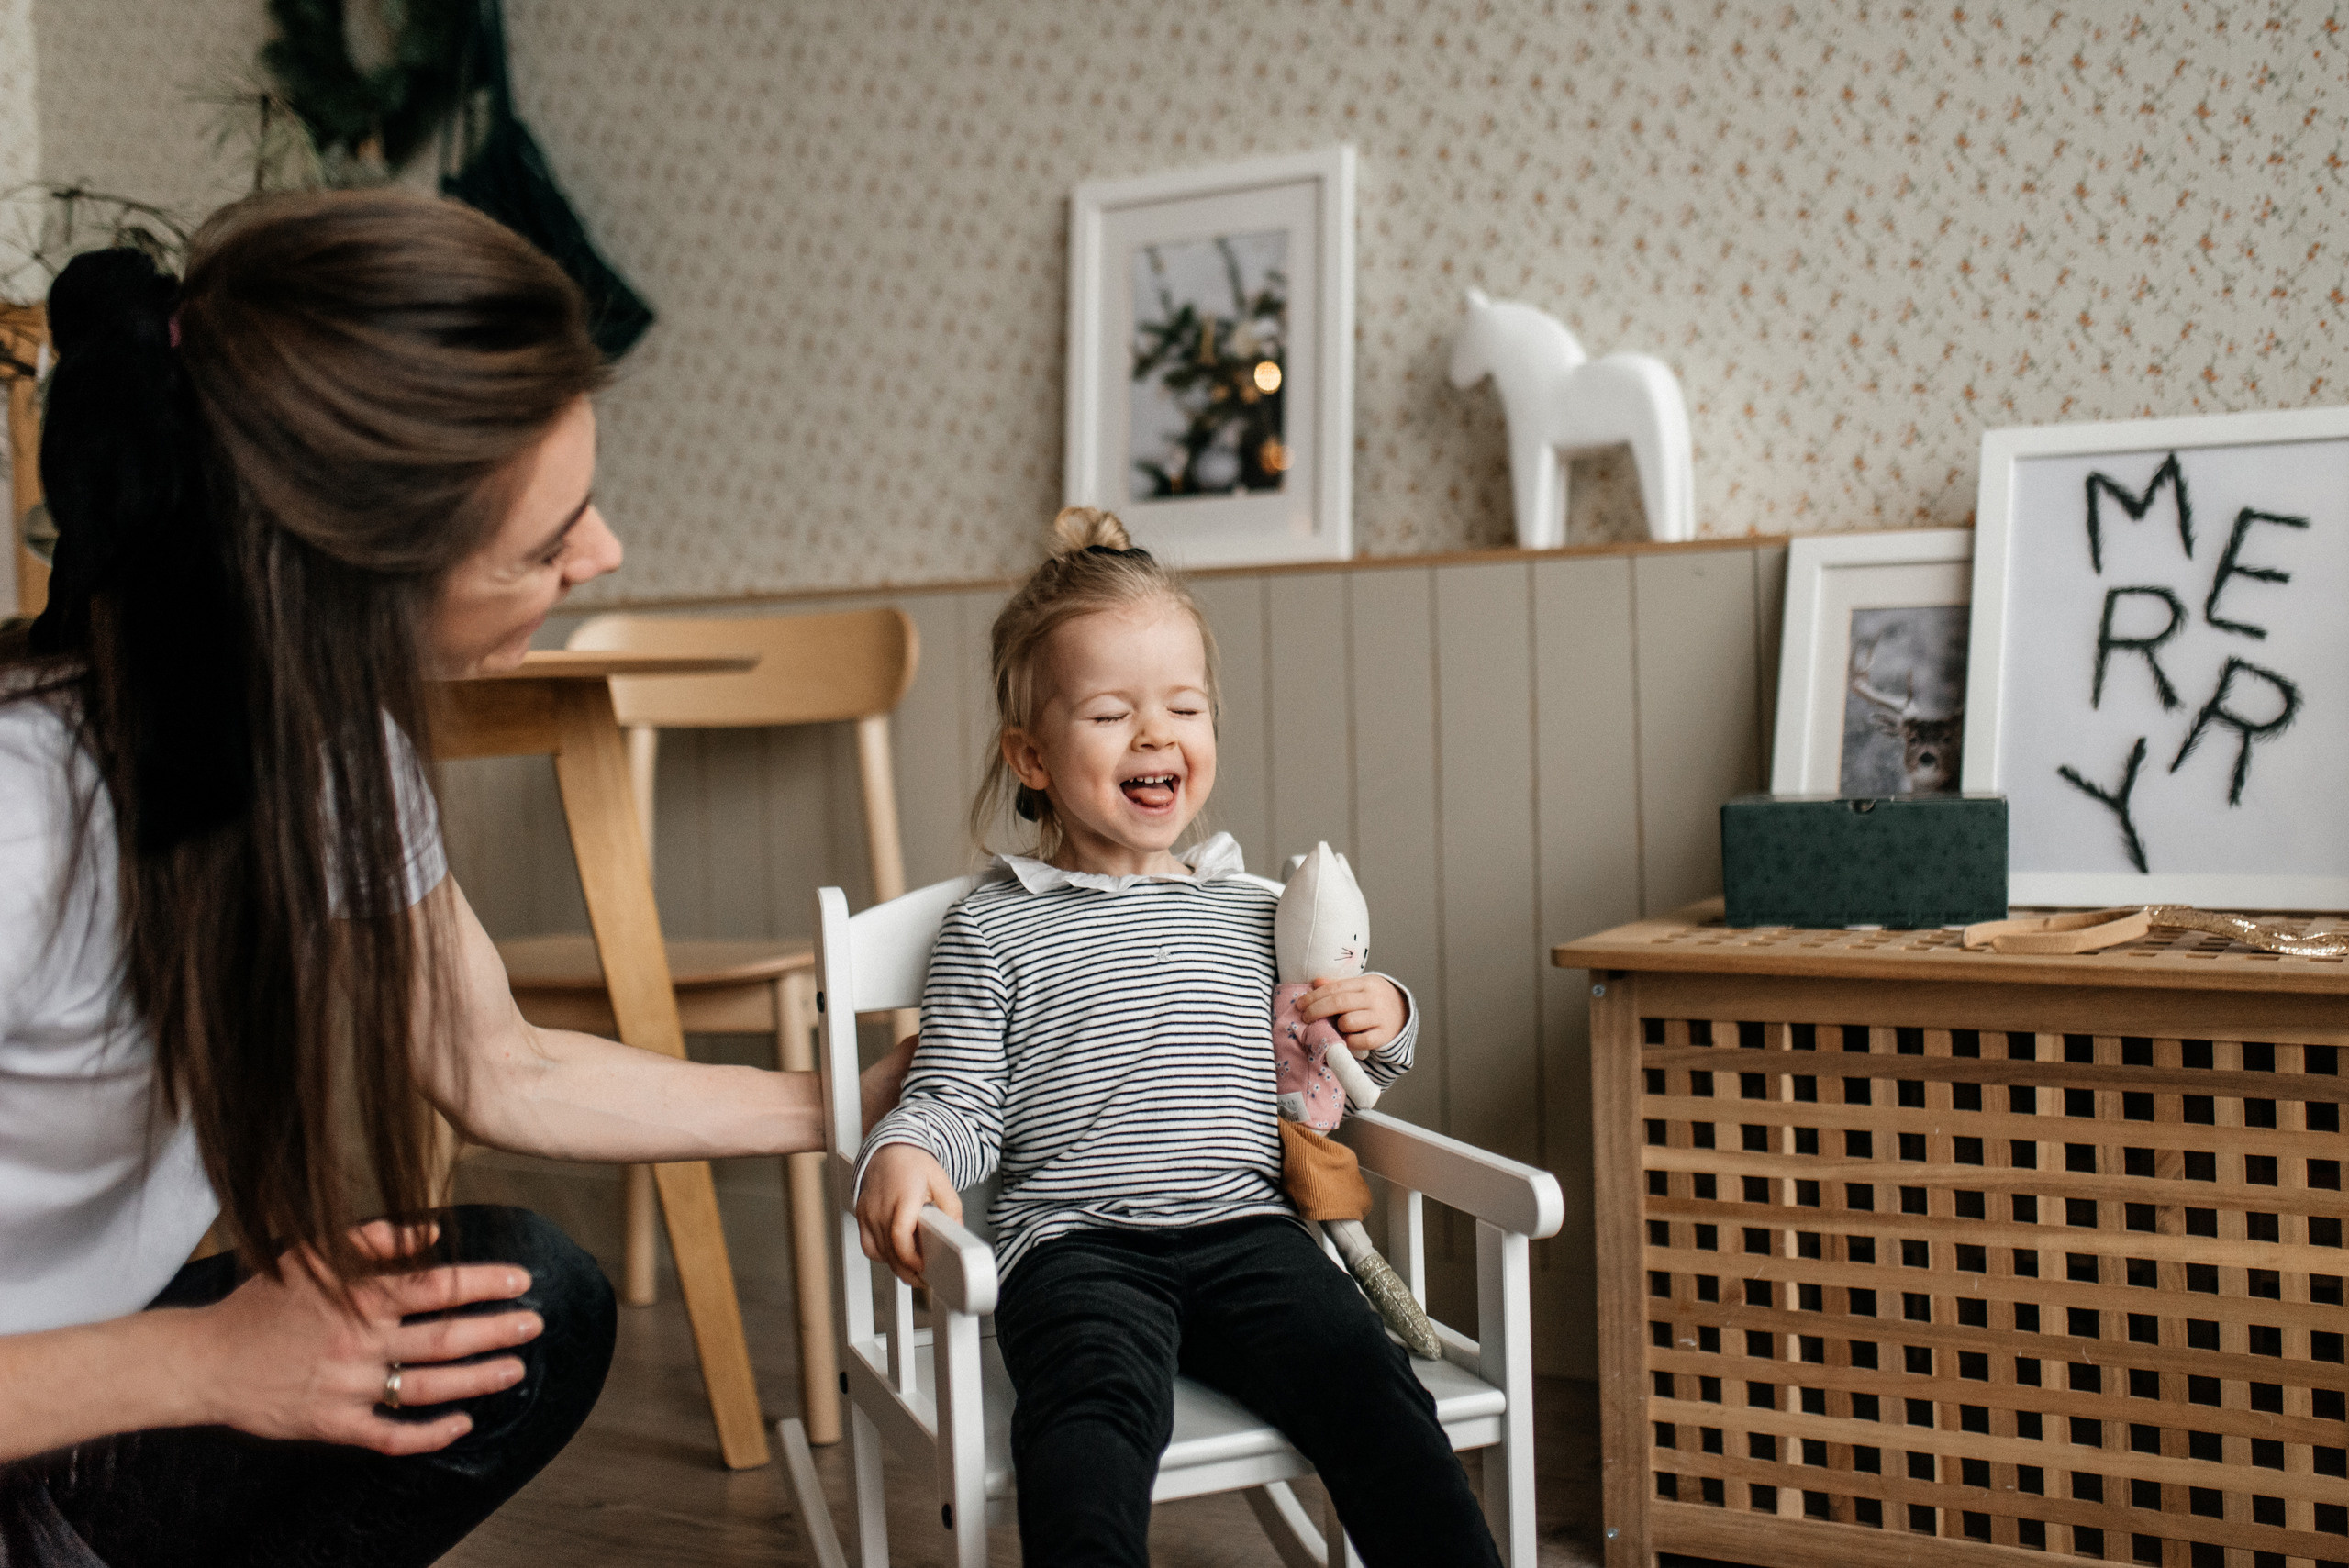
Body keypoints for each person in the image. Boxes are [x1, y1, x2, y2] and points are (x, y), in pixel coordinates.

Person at [0, 189, 905, 1566]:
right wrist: (205, 1364)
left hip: (83, 1408)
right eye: (548, 543)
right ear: (351, 572)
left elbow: (498, 1065)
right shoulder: (26, 823)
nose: (603, 556)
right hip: (72, 1389)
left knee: (516, 1310)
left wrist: (852, 1107)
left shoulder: (329, 751)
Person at [853, 508, 1502, 1567]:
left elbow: (1326, 1071)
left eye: (1184, 706)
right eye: (1112, 713)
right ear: (1032, 755)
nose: (1157, 735)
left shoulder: (1250, 907)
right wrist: (912, 1148)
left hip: (1248, 1230)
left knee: (1369, 1383)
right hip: (1075, 1247)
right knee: (1088, 1424)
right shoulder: (996, 922)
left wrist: (1382, 1008)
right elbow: (957, 1095)